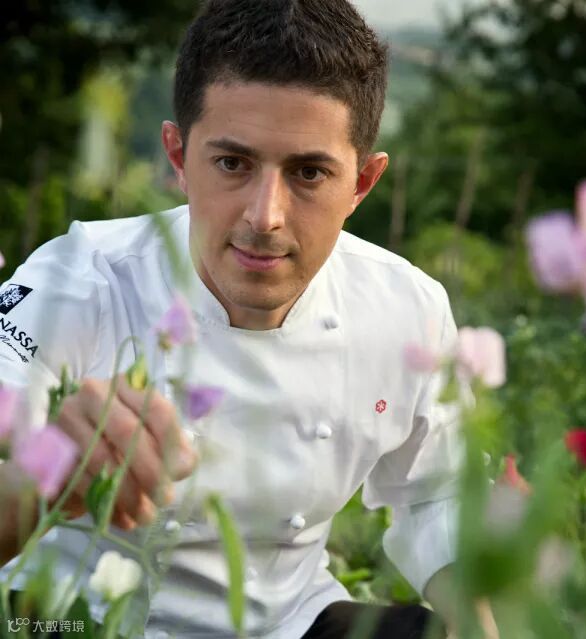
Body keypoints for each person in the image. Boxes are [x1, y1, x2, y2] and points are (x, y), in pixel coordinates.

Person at [0, 1, 466, 637]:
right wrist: (46, 475)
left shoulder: (406, 307)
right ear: (178, 156)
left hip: (286, 623)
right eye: (232, 163)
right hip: (70, 616)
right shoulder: (79, 283)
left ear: (361, 183)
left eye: (308, 173)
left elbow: (434, 494)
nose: (264, 216)